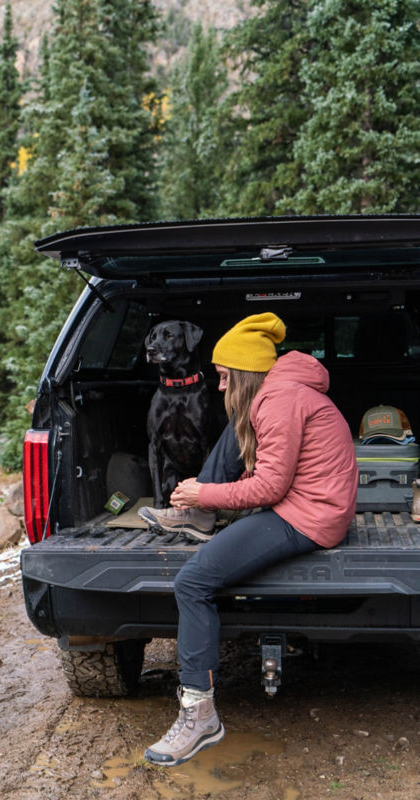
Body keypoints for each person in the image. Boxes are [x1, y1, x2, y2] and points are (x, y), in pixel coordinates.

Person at [138, 311, 359, 767]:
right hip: (309, 503)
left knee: (192, 582)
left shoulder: (278, 401)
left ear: (242, 372)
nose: (218, 386)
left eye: (223, 376)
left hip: (309, 515)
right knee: (233, 431)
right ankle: (198, 516)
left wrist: (205, 491)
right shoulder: (279, 391)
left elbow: (270, 488)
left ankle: (200, 717)